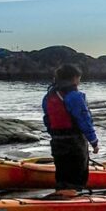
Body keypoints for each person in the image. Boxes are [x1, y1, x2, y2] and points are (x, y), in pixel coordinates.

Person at [42, 64, 99, 198]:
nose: (79, 81)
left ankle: (61, 194)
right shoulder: (74, 96)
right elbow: (84, 120)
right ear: (74, 78)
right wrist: (94, 142)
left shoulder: (48, 96)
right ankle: (72, 199)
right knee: (77, 174)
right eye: (79, 78)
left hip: (57, 141)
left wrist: (54, 135)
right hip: (74, 142)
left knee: (62, 173)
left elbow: (47, 119)